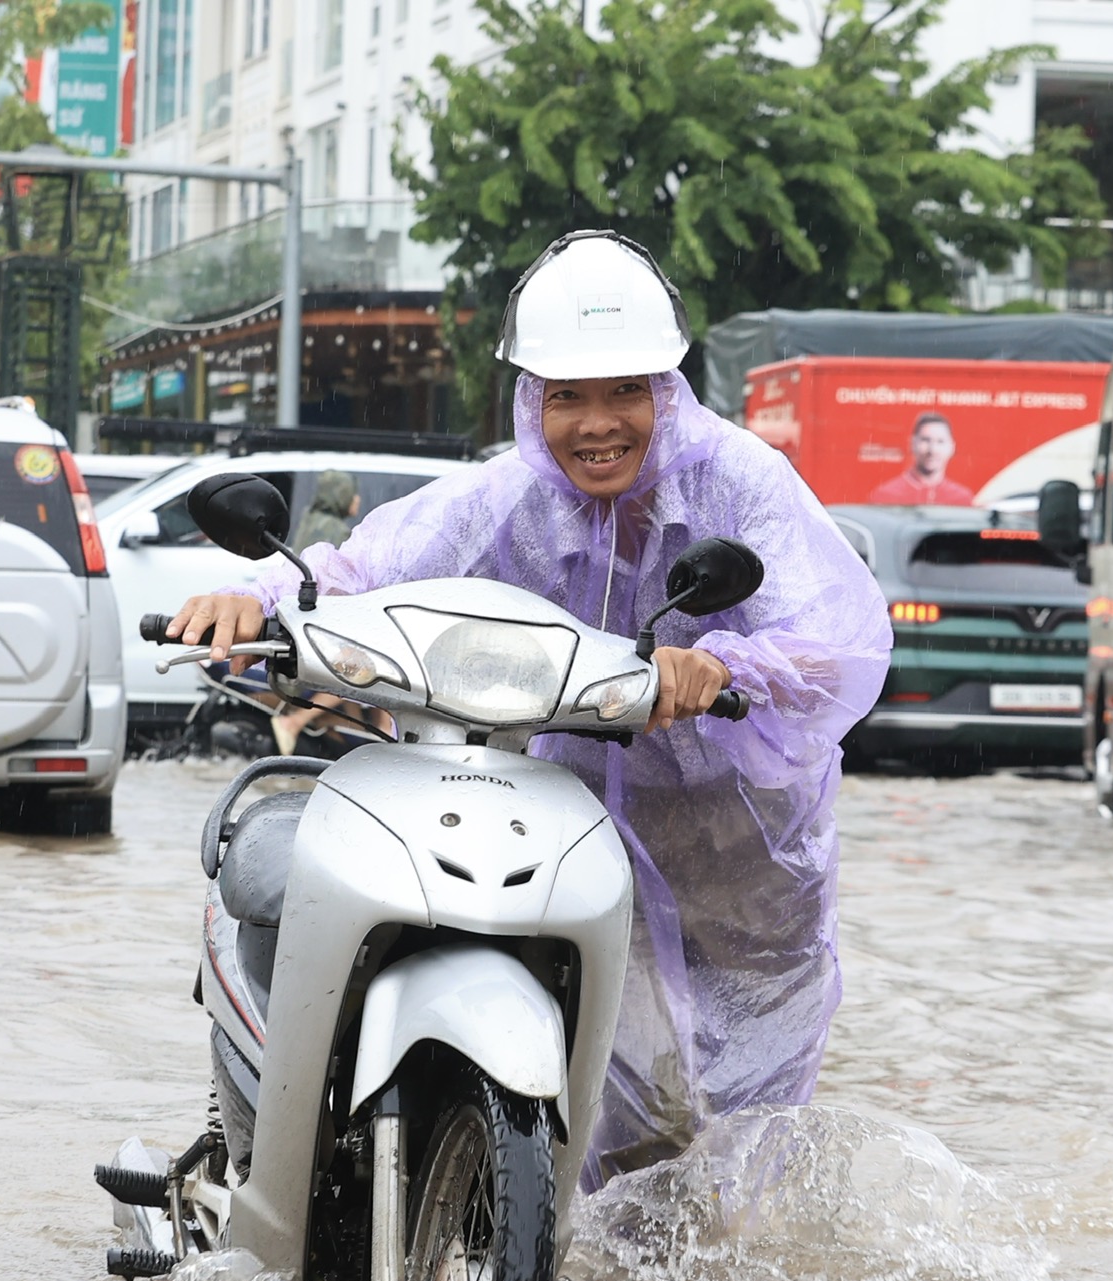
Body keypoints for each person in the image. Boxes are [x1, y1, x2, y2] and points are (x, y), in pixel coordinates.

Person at [172, 230, 891, 1185]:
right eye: (568, 398)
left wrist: (722, 666)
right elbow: (359, 573)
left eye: (625, 391)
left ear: (667, 391)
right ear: (529, 402)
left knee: (741, 1156)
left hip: (739, 857)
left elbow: (837, 642)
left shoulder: (741, 484)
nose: (599, 424)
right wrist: (259, 599)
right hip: (566, 832)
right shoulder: (505, 501)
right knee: (606, 1141)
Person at [868, 411, 974, 506]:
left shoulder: (962, 498)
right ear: (912, 444)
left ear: (952, 448)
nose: (932, 450)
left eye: (940, 442)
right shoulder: (886, 495)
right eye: (925, 440)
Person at [289, 470, 361, 549]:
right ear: (342, 495)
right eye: (352, 493)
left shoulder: (310, 519)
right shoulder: (337, 532)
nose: (357, 499)